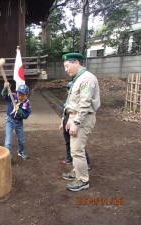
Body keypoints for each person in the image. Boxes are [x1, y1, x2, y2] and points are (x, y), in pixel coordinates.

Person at [61, 53, 100, 192]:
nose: (66, 69)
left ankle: (83, 180)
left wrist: (76, 122)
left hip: (83, 118)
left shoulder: (87, 78)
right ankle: (76, 171)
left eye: (67, 66)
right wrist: (68, 118)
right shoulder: (78, 78)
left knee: (77, 149)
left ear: (76, 62)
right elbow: (73, 101)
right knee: (74, 148)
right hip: (76, 117)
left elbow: (84, 103)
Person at [59, 81, 91, 169]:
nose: (69, 91)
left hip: (73, 121)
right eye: (68, 89)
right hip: (66, 121)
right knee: (68, 142)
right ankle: (70, 158)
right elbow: (65, 111)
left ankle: (87, 162)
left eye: (70, 89)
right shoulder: (68, 100)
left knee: (77, 144)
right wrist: (62, 122)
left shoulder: (78, 101)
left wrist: (75, 122)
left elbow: (80, 112)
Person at [1, 82, 31, 159]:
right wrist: (6, 88)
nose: (20, 96)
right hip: (10, 121)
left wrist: (21, 113)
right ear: (16, 92)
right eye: (18, 94)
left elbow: (26, 115)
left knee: (21, 140)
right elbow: (4, 95)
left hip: (19, 123)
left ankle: (21, 151)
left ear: (26, 95)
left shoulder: (27, 104)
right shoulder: (13, 96)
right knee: (8, 142)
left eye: (22, 95)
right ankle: (7, 156)